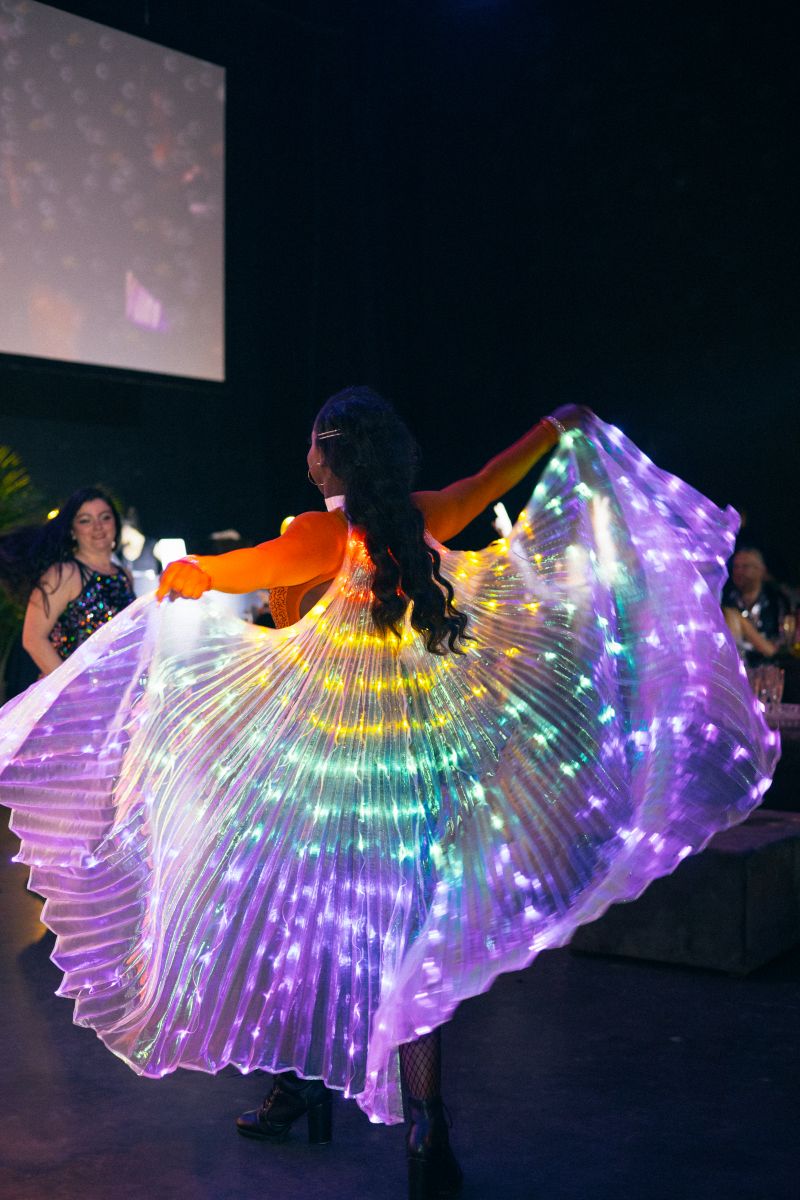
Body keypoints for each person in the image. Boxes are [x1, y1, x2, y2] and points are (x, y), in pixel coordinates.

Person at [0, 391, 778, 1200]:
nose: (305, 456)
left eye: (311, 444)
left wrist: (188, 579)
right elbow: (487, 477)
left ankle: (297, 1089)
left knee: (300, 927)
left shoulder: (319, 533)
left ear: (326, 458)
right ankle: (424, 1126)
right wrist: (553, 429)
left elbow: (220, 572)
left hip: (325, 775)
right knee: (409, 949)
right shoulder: (422, 514)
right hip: (414, 774)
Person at [0, 487, 135, 690]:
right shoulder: (64, 574)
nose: (97, 527)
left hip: (115, 693)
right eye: (85, 520)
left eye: (104, 517)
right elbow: (33, 639)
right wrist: (73, 691)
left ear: (115, 523)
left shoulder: (124, 575)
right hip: (72, 703)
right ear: (73, 531)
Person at [722, 547, 789, 666]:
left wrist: (744, 625)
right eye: (736, 566)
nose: (738, 571)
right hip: (737, 670)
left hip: (769, 670)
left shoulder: (776, 602)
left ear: (761, 570)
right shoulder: (727, 600)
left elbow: (782, 646)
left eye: (745, 567)